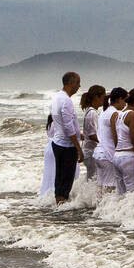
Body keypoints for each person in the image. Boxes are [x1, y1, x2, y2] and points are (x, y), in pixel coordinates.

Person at [48, 72, 83, 204]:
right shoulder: (66, 101)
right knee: (66, 179)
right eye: (78, 83)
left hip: (58, 142)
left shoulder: (56, 97)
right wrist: (78, 148)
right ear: (71, 83)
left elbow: (59, 123)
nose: (79, 86)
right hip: (66, 145)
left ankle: (59, 204)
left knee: (60, 177)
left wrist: (79, 135)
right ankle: (61, 206)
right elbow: (68, 127)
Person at [110, 88, 134, 195]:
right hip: (128, 157)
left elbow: (115, 138)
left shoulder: (117, 115)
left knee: (121, 195)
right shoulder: (133, 116)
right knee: (132, 194)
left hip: (117, 156)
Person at [94, 88, 128, 195]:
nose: (125, 104)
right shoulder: (115, 114)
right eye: (125, 101)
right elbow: (115, 136)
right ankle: (108, 211)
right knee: (110, 188)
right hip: (108, 154)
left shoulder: (104, 112)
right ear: (119, 99)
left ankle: (96, 209)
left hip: (98, 153)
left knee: (101, 187)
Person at [79, 85, 106, 185]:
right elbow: (92, 135)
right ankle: (89, 199)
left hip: (89, 151)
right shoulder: (92, 113)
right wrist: (106, 143)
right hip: (90, 152)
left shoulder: (91, 111)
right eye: (103, 97)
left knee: (92, 180)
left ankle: (86, 198)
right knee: (94, 181)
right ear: (96, 97)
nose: (104, 100)